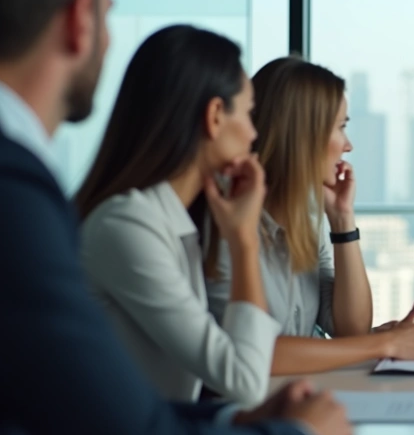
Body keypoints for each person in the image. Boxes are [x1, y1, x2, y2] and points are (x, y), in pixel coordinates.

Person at [0, 0, 350, 435]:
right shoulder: (16, 191)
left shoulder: (157, 218)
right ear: (79, 20)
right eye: (247, 111)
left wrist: (228, 421)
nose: (258, 133)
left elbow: (104, 405)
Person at [75, 25, 283, 406]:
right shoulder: (126, 226)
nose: (254, 134)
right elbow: (243, 379)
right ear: (216, 115)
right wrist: (244, 240)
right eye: (250, 114)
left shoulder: (170, 218)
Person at [205, 56, 414, 374]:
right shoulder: (225, 218)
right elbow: (253, 352)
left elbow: (351, 328)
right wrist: (381, 344)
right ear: (304, 136)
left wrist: (343, 220)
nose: (348, 146)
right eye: (341, 128)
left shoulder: (305, 218)